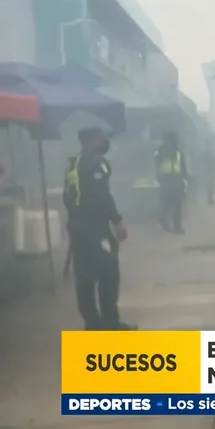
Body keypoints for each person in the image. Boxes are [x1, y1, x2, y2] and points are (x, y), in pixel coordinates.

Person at [63, 127, 134, 331]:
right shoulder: (97, 162)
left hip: (77, 228)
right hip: (95, 229)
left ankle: (92, 324)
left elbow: (67, 195)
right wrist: (117, 221)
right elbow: (101, 194)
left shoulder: (72, 164)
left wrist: (76, 219)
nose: (105, 142)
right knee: (109, 272)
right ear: (92, 140)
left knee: (84, 277)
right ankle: (110, 323)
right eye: (102, 138)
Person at [154, 131, 188, 234]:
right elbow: (183, 168)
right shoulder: (179, 152)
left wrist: (159, 176)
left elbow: (156, 163)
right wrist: (185, 179)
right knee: (177, 206)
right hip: (177, 182)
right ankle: (176, 228)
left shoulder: (159, 151)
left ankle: (163, 219)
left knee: (165, 204)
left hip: (165, 181)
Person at [202, 141, 215, 206]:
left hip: (208, 170)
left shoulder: (206, 152)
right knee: (211, 185)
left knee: (210, 185)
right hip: (210, 170)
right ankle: (210, 198)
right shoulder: (212, 152)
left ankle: (210, 198)